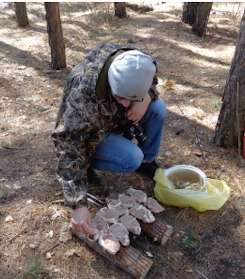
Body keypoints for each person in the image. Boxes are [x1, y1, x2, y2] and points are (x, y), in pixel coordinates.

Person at [53, 43, 167, 241]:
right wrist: (77, 204)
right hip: (88, 134)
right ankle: (89, 165)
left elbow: (152, 80)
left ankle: (147, 163)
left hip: (111, 120)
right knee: (131, 158)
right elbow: (68, 147)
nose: (125, 103)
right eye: (120, 97)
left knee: (158, 108)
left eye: (130, 98)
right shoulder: (83, 96)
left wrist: (147, 97)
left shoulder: (135, 63)